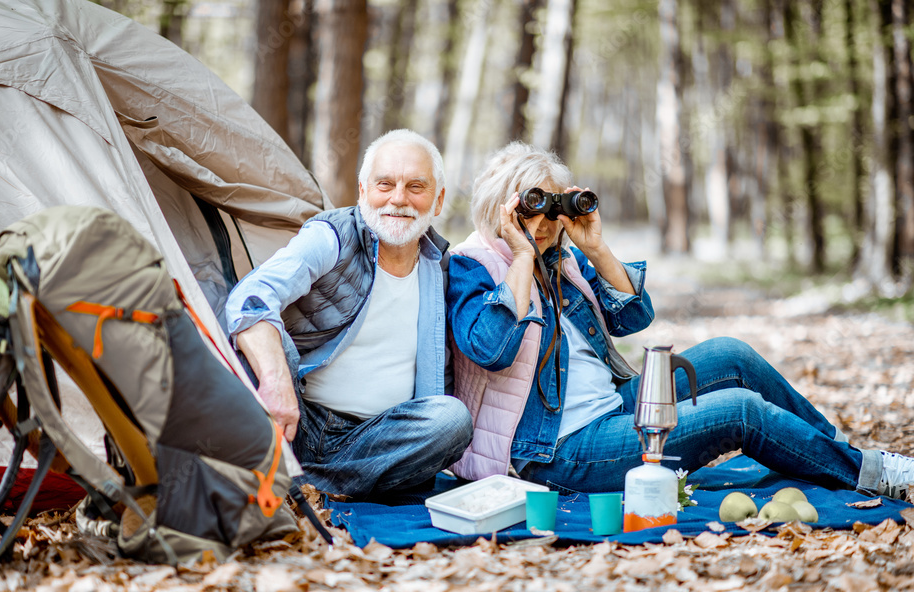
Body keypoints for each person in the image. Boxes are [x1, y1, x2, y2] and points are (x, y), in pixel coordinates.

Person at [445, 141, 914, 501]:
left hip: (613, 408)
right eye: (532, 207)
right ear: (500, 208)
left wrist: (595, 248)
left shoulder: (560, 257)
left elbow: (633, 317)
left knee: (732, 356)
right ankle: (869, 472)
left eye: (553, 207)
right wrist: (522, 256)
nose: (545, 223)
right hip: (557, 451)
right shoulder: (473, 264)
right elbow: (494, 347)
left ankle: (834, 453)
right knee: (740, 410)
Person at [225, 129, 472, 501]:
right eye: (384, 184)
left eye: (415, 187)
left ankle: (307, 486)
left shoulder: (442, 268)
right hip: (298, 420)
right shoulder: (332, 236)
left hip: (378, 439)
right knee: (256, 349)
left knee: (451, 420)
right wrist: (276, 381)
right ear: (362, 191)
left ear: (437, 201)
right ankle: (328, 482)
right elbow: (251, 298)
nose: (398, 199)